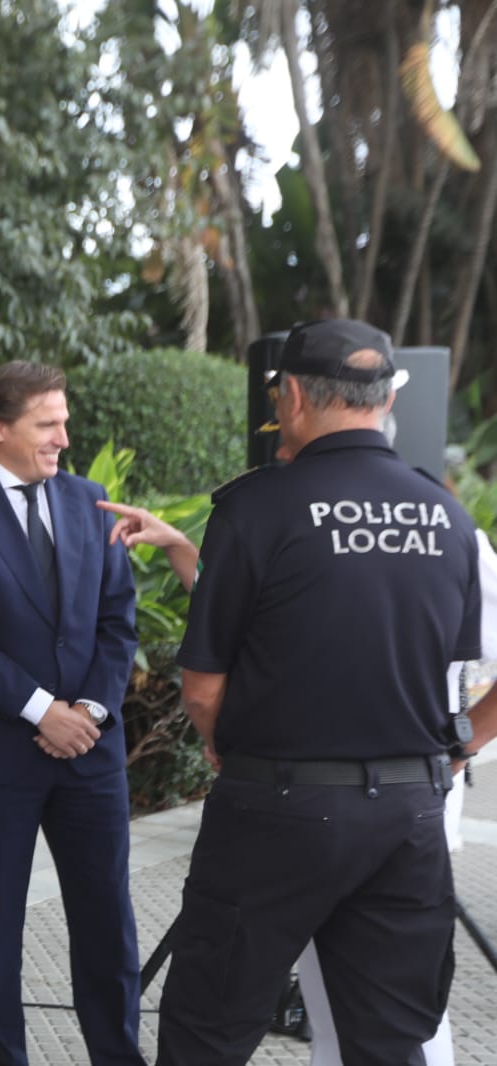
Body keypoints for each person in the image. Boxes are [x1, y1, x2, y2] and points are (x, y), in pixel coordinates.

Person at [156, 318, 481, 1065]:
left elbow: (203, 686)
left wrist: (220, 745)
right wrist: (449, 754)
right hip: (406, 816)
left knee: (208, 1028)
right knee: (389, 1040)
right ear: (383, 400)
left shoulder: (256, 508)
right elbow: (455, 671)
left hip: (276, 806)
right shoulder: (446, 515)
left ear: (293, 395)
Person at [0, 360, 144, 1066]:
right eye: (48, 424)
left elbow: (116, 621)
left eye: (64, 422)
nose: (63, 438)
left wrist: (89, 711)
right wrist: (44, 711)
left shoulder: (88, 499)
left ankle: (116, 1056)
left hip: (91, 752)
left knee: (108, 924)